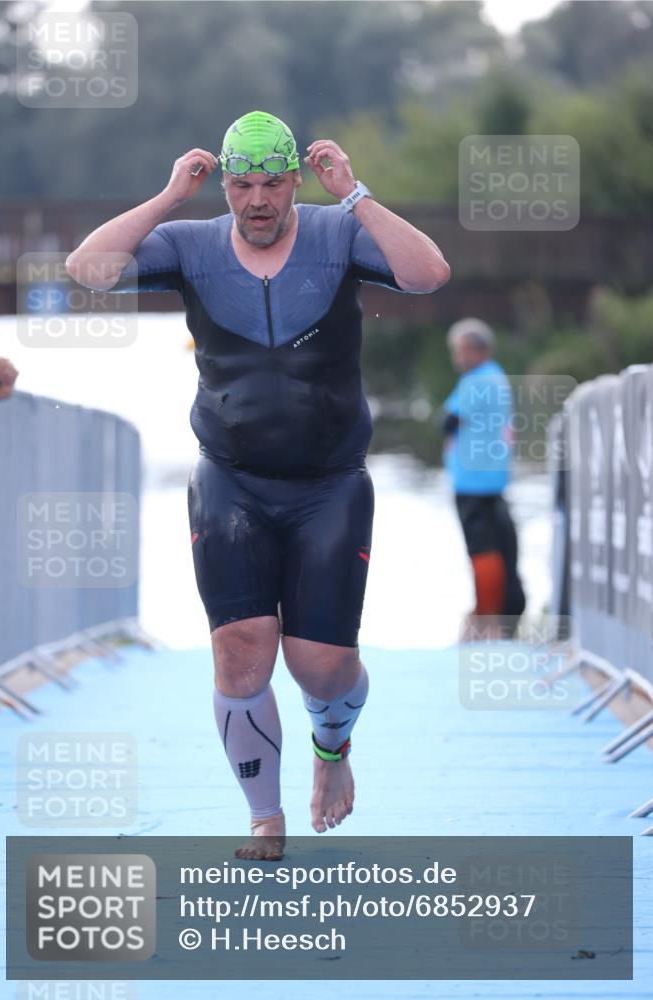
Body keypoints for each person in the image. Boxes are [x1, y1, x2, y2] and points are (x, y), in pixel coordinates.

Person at [66, 110, 450, 859]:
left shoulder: (337, 235)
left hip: (329, 485)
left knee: (321, 666)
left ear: (295, 180)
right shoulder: (190, 244)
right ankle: (263, 817)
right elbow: (86, 269)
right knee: (241, 653)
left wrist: (356, 194)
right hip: (231, 483)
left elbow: (428, 274)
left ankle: (331, 754)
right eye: (241, 185)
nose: (257, 200)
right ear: (226, 188)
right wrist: (169, 196)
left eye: (272, 183)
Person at [441, 318, 526, 641]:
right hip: (493, 478)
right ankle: (502, 614)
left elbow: (448, 420)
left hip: (472, 481)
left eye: (459, 351)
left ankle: (487, 617)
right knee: (500, 545)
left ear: (477, 350)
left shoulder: (476, 381)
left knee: (482, 548)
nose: (456, 358)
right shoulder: (497, 377)